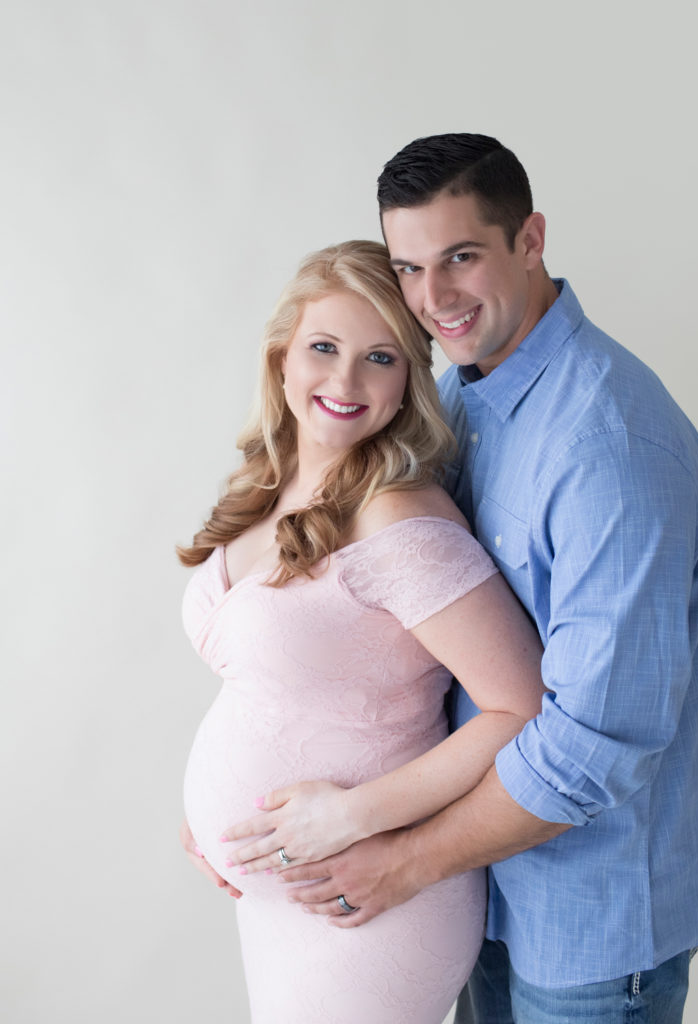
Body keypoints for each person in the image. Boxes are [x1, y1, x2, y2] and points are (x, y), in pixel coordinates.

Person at [274, 135, 698, 1023]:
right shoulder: (460, 397)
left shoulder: (609, 448)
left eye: (461, 257)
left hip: (590, 926)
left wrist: (401, 858)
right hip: (482, 895)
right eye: (409, 268)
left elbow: (593, 744)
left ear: (529, 238)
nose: (433, 299)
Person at [177, 239, 546, 1024]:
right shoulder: (266, 490)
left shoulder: (396, 519)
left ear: (409, 380)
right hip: (282, 897)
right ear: (281, 360)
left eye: (379, 357)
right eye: (323, 348)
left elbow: (523, 706)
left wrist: (349, 816)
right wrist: (209, 817)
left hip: (366, 902)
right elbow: (273, 684)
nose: (345, 381)